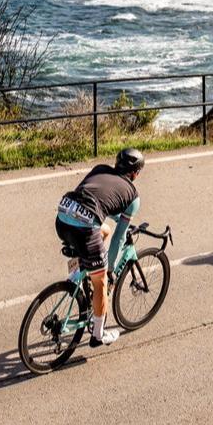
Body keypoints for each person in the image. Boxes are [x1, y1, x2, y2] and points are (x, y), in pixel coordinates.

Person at [55, 147, 144, 347]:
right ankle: (98, 334)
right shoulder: (132, 196)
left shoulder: (100, 169)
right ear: (135, 173)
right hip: (84, 229)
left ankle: (77, 272)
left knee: (104, 230)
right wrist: (110, 270)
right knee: (101, 281)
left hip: (62, 216)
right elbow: (120, 238)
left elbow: (92, 197)